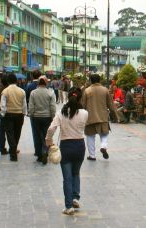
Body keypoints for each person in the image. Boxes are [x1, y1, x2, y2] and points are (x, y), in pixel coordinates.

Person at [45, 87, 88, 215]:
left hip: (66, 147)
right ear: (80, 98)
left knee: (67, 178)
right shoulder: (85, 113)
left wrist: (49, 141)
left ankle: (68, 206)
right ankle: (75, 197)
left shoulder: (61, 112)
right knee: (76, 173)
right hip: (80, 145)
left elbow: (51, 128)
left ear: (68, 96)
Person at [81, 74, 117, 161]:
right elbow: (111, 105)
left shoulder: (87, 91)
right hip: (103, 117)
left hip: (90, 118)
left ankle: (92, 156)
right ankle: (103, 146)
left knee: (90, 137)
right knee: (104, 134)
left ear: (90, 81)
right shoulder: (105, 90)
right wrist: (115, 115)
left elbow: (83, 105)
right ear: (99, 80)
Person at [29, 76, 56, 164]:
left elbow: (31, 106)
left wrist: (31, 114)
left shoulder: (33, 93)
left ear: (38, 83)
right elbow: (52, 106)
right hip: (47, 117)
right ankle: (45, 151)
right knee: (46, 136)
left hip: (36, 117)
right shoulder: (50, 93)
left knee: (36, 136)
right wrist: (53, 116)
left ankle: (39, 155)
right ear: (46, 83)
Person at [0, 73, 27, 162]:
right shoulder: (22, 91)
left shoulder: (5, 91)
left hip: (8, 115)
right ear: (16, 80)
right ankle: (14, 149)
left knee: (10, 134)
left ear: (8, 81)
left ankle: (13, 153)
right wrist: (24, 113)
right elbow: (24, 105)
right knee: (17, 133)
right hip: (19, 115)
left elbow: (3, 105)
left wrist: (2, 114)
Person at [25, 70, 41, 158]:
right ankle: (44, 149)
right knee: (43, 132)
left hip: (33, 112)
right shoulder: (44, 85)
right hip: (44, 113)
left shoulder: (29, 86)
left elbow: (26, 98)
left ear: (32, 76)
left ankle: (37, 150)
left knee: (35, 132)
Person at [0, 74, 9, 155]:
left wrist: (0, 110)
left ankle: (2, 149)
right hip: (11, 113)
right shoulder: (11, 90)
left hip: (2, 114)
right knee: (11, 132)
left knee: (2, 131)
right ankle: (13, 147)